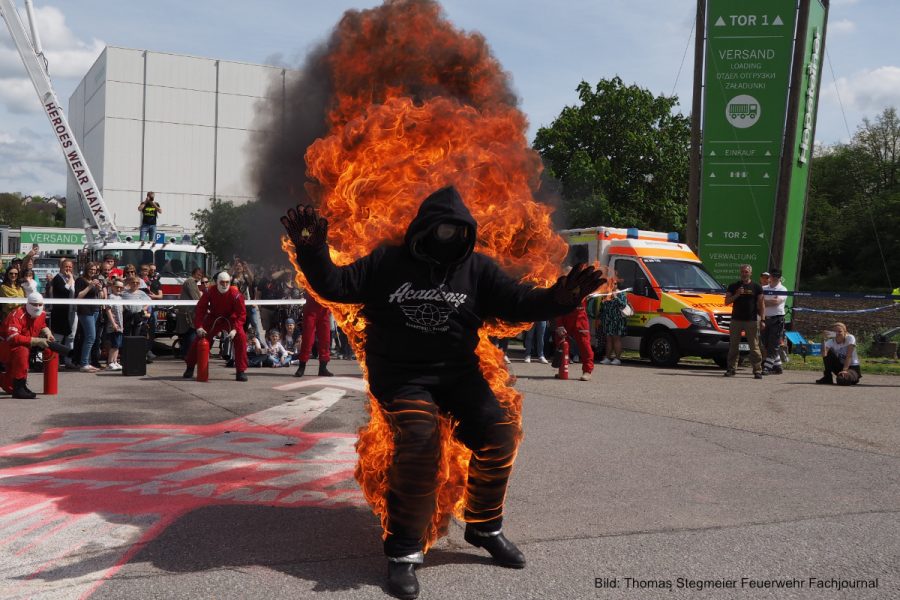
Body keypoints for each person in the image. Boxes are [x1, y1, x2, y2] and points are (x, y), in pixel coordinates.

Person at [281, 186, 605, 599]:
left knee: (499, 432)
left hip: (457, 375)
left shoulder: (477, 270)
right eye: (440, 229)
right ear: (422, 228)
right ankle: (403, 554)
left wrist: (558, 298)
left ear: (467, 233)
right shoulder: (388, 261)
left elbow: (518, 302)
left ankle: (485, 526)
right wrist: (311, 249)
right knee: (420, 441)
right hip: (401, 376)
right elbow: (336, 285)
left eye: (457, 231)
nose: (447, 238)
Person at [182, 271, 249, 382]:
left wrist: (235, 329)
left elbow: (242, 314)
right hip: (214, 318)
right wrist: (199, 326)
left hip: (231, 320)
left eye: (227, 282)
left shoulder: (236, 295)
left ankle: (240, 371)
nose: (225, 285)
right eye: (222, 282)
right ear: (217, 282)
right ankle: (190, 367)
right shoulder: (209, 291)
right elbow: (200, 309)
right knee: (199, 339)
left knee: (241, 338)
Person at [0, 292, 55, 398]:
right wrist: (37, 341)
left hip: (20, 347)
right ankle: (19, 388)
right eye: (34, 304)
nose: (37, 307)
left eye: (40, 304)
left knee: (9, 387)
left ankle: (19, 385)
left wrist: (47, 333)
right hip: (6, 347)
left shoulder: (42, 314)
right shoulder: (17, 315)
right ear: (28, 303)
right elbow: (13, 337)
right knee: (22, 351)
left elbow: (42, 325)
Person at [723, 264, 764, 378]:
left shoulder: (756, 287)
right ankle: (731, 369)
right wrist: (737, 294)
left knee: (754, 346)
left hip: (751, 320)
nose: (744, 274)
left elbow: (761, 304)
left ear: (750, 273)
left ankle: (757, 370)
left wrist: (763, 319)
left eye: (746, 272)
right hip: (736, 320)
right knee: (733, 346)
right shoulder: (733, 286)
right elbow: (726, 302)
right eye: (742, 272)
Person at [555, 285, 594, 380]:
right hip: (565, 319)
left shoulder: (585, 290)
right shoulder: (562, 292)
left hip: (581, 320)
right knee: (561, 345)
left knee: (585, 346)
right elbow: (558, 309)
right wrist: (559, 325)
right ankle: (562, 370)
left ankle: (587, 371)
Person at [74, 262, 104, 373]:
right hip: (85, 311)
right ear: (87, 269)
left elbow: (100, 297)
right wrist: (90, 286)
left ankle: (87, 361)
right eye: (91, 269)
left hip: (95, 310)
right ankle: (84, 363)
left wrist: (100, 289)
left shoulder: (94, 280)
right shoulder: (80, 280)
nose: (93, 271)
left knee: (91, 337)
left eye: (95, 269)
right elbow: (78, 296)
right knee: (91, 337)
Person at [294, 291, 333, 377]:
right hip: (311, 310)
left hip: (325, 310)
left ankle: (323, 368)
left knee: (325, 340)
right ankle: (302, 367)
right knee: (307, 340)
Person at [50, 258, 77, 369]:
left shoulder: (72, 279)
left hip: (71, 311)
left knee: (71, 337)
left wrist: (71, 279)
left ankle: (68, 361)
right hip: (60, 313)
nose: (68, 269)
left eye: (70, 267)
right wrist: (70, 279)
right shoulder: (57, 278)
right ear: (61, 267)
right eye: (66, 266)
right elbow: (65, 291)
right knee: (58, 338)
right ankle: (54, 362)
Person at [761, 269, 787, 375]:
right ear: (770, 277)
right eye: (773, 276)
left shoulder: (783, 289)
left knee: (774, 344)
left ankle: (767, 367)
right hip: (765, 318)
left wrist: (763, 301)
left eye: (777, 276)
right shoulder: (763, 288)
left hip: (777, 319)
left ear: (780, 277)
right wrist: (765, 302)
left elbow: (776, 302)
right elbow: (758, 301)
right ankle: (778, 366)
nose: (775, 278)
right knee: (766, 344)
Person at [175, 267, 204, 358]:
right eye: (198, 274)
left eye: (201, 275)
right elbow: (196, 297)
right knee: (191, 332)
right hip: (188, 313)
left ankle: (186, 353)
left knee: (188, 334)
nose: (199, 277)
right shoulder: (190, 282)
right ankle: (188, 354)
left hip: (189, 312)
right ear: (193, 273)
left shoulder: (192, 282)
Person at [599, 289, 628, 366]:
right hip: (607, 320)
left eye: (614, 284)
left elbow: (623, 305)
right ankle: (607, 358)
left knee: (616, 338)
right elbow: (602, 307)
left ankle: (617, 359)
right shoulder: (606, 293)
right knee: (608, 338)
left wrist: (615, 297)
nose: (612, 285)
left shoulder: (620, 293)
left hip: (617, 320)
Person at [104, 280, 125, 371]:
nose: (119, 289)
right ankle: (110, 363)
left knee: (118, 345)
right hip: (114, 326)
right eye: (117, 287)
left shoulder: (120, 298)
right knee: (114, 344)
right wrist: (113, 323)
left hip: (120, 325)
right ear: (112, 287)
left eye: (121, 287)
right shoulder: (110, 297)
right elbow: (108, 310)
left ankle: (115, 361)